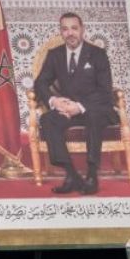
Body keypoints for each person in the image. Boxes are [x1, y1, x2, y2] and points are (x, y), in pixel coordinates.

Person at [34, 12, 118, 194]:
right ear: (61, 32)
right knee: (48, 119)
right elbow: (40, 83)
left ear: (82, 30)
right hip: (68, 109)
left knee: (93, 116)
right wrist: (55, 101)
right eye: (65, 29)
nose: (70, 33)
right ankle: (72, 175)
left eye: (74, 28)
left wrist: (79, 107)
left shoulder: (98, 54)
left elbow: (105, 91)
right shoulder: (55, 54)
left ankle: (92, 175)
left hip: (96, 108)